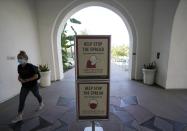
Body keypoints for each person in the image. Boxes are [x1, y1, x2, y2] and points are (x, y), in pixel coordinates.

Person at [12, 51, 44, 123]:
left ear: (26, 59)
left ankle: (41, 103)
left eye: (21, 58)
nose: (19, 60)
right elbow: (20, 75)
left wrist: (26, 80)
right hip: (24, 86)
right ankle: (19, 115)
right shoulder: (19, 66)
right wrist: (20, 79)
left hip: (33, 85)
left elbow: (36, 76)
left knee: (36, 95)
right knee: (21, 100)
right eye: (18, 58)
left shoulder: (30, 66)